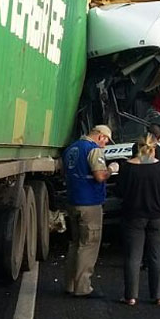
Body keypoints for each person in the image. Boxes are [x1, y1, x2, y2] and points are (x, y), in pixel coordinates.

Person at [116, 132, 160, 305]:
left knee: (133, 256)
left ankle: (131, 296)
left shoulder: (127, 167)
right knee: (157, 256)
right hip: (158, 217)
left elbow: (119, 192)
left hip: (133, 216)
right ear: (153, 150)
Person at [62, 125, 117, 298]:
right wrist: (111, 170)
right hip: (90, 202)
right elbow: (99, 176)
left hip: (73, 200)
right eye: (106, 140)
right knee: (89, 244)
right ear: (100, 136)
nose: (106, 144)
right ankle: (83, 287)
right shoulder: (93, 150)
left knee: (75, 243)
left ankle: (70, 284)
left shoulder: (71, 148)